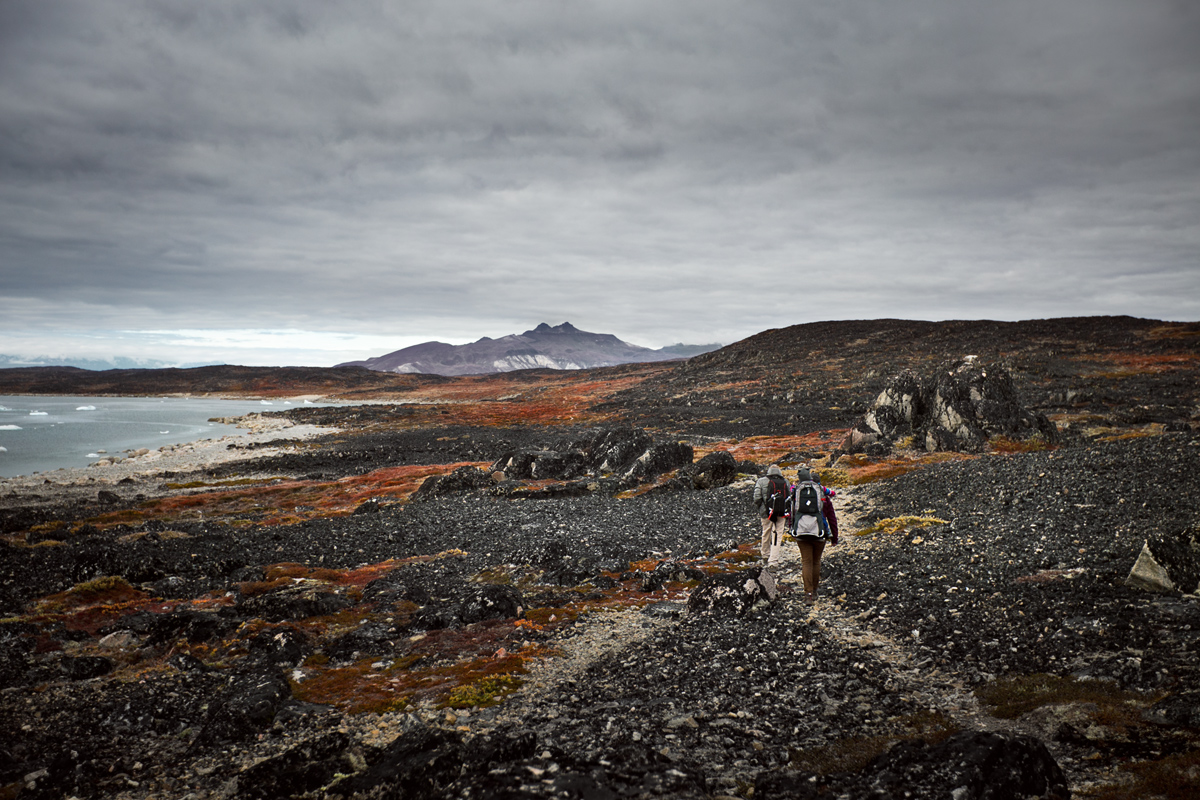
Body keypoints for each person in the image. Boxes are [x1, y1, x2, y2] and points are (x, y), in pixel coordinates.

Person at [791, 467, 835, 604]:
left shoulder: (796, 490)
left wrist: (792, 528)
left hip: (801, 531)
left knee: (806, 561)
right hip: (819, 531)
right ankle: (815, 591)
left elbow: (791, 511)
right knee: (816, 561)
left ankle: (808, 594)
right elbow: (832, 517)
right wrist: (834, 536)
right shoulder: (821, 490)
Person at [752, 464, 790, 565]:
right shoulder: (785, 482)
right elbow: (789, 498)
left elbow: (756, 498)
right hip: (781, 513)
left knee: (766, 533)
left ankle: (765, 555)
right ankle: (773, 560)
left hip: (766, 513)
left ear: (769, 471)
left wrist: (761, 508)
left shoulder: (761, 481)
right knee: (777, 535)